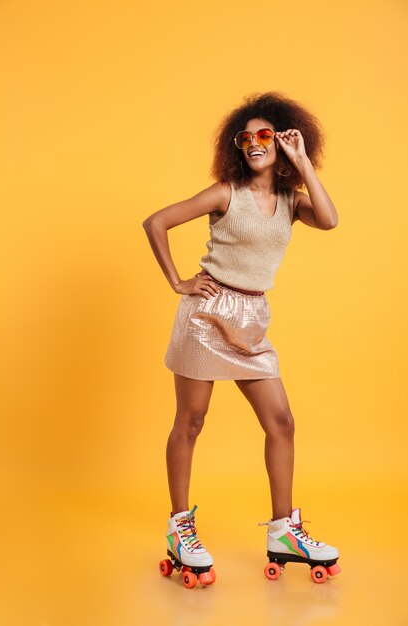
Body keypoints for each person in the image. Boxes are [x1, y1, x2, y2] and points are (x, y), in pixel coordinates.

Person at [142, 91, 341, 587]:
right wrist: (178, 281)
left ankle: (283, 532)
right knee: (190, 421)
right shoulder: (224, 193)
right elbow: (156, 222)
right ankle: (179, 529)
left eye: (265, 136)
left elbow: (331, 219)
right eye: (246, 137)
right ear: (237, 146)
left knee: (282, 422)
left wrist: (301, 163)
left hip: (252, 319)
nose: (254, 143)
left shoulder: (292, 202)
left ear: (283, 142)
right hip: (207, 316)